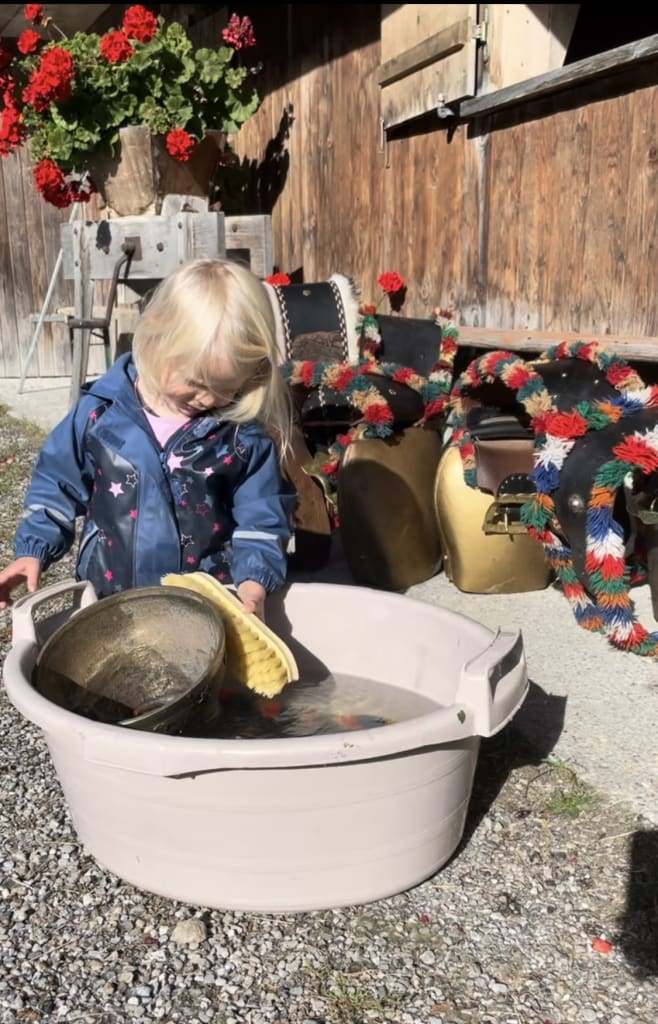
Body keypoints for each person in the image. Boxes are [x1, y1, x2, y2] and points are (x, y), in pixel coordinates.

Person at [0, 258, 296, 619]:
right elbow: (56, 482)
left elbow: (262, 516)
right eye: (197, 383)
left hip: (204, 607)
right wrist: (34, 547)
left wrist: (253, 582)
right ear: (156, 338)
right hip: (112, 598)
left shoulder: (241, 437)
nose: (207, 399)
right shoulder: (99, 415)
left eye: (225, 388)